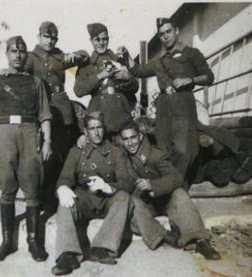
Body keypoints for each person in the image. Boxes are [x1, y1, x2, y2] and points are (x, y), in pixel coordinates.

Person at [0, 36, 52, 262]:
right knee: (6, 184)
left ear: (26, 54)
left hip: (30, 131)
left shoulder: (36, 83)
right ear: (7, 54)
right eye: (13, 51)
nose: (18, 55)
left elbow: (45, 114)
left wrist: (47, 141)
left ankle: (33, 241)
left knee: (32, 182)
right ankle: (7, 241)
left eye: (21, 51)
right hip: (3, 132)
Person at [120, 18, 215, 189]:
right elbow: (138, 71)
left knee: (184, 150)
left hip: (183, 103)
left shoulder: (191, 53)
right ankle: (169, 189)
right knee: (164, 149)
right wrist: (127, 56)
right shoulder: (159, 61)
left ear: (176, 31)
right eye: (161, 34)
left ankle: (176, 186)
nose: (165, 36)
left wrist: (189, 79)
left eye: (168, 32)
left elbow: (209, 76)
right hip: (163, 106)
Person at [119, 120, 221, 260]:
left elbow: (176, 177)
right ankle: (163, 235)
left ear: (140, 136)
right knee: (132, 204)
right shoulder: (123, 157)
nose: (130, 143)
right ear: (121, 141)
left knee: (180, 194)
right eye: (126, 139)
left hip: (164, 201)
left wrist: (152, 185)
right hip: (146, 205)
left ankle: (199, 240)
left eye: (133, 137)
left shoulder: (155, 155)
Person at [52, 111, 132, 275]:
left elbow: (126, 182)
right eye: (92, 128)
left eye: (100, 127)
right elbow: (65, 177)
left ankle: (101, 248)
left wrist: (110, 187)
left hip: (106, 201)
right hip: (85, 200)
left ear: (104, 129)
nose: (96, 132)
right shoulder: (76, 152)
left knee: (124, 197)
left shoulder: (116, 151)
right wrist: (62, 188)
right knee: (65, 202)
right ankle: (68, 254)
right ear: (85, 132)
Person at [24, 21, 89, 213]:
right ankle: (45, 199)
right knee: (44, 156)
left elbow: (84, 56)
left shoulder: (60, 56)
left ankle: (60, 194)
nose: (50, 41)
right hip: (42, 109)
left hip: (62, 110)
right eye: (46, 36)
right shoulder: (30, 57)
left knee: (62, 153)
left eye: (53, 38)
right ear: (39, 37)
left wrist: (76, 55)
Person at [74, 23, 139, 136]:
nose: (101, 43)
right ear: (91, 41)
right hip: (99, 115)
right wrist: (100, 76)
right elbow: (78, 91)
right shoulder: (87, 64)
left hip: (120, 113)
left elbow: (135, 87)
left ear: (108, 40)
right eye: (97, 39)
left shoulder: (118, 60)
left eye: (104, 39)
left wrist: (128, 77)